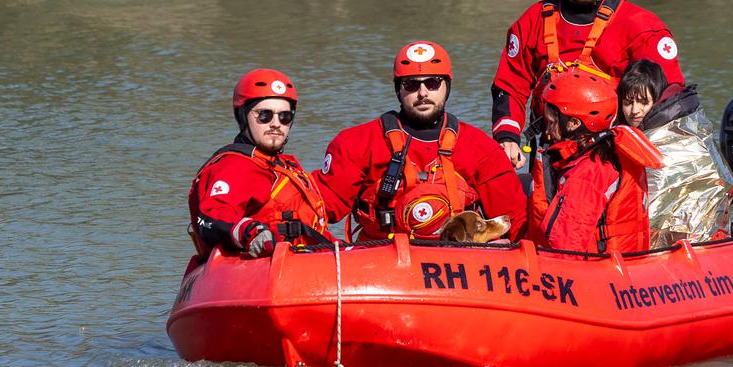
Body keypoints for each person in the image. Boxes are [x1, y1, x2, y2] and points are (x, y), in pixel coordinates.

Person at [492, 0, 685, 169]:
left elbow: (670, 97)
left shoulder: (641, 26)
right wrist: (507, 138)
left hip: (614, 154)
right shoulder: (532, 21)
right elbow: (510, 86)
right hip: (550, 152)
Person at [316, 41, 527, 240]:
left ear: (447, 86)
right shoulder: (356, 143)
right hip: (381, 255)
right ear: (398, 89)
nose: (423, 93)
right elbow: (319, 209)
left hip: (459, 258)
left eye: (433, 83)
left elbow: (516, 222)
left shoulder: (481, 148)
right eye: (411, 85)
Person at [187, 68, 331, 269]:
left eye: (285, 117)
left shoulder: (282, 165)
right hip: (258, 271)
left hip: (305, 263)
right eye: (264, 115)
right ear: (243, 116)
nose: (276, 124)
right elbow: (212, 216)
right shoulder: (235, 166)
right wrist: (250, 232)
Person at [527, 68, 651, 254]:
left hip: (599, 266)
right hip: (626, 260)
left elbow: (567, 247)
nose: (548, 129)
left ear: (573, 124)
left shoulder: (587, 173)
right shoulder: (610, 150)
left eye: (552, 122)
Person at [617, 59, 733, 246]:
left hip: (696, 240)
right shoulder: (623, 135)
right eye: (627, 102)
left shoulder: (677, 133)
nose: (634, 111)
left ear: (657, 99)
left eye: (643, 102)